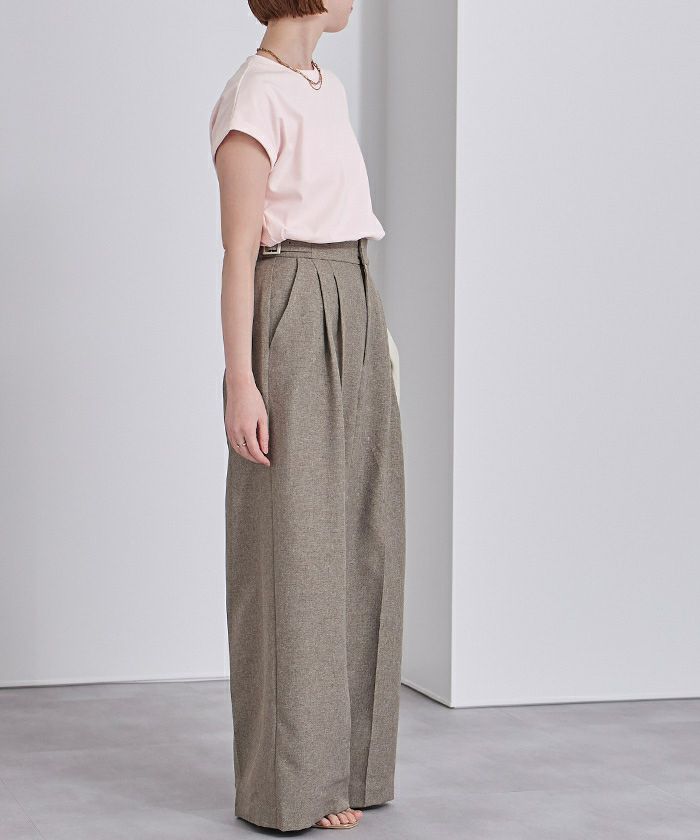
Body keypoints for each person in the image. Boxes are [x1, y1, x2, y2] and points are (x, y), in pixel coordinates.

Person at [209, 0, 406, 831]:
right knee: (295, 553)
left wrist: (378, 342)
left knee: (367, 539)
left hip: (357, 300)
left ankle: (352, 768)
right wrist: (241, 382)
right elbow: (238, 253)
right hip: (292, 309)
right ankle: (295, 783)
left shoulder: (326, 85)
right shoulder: (253, 97)